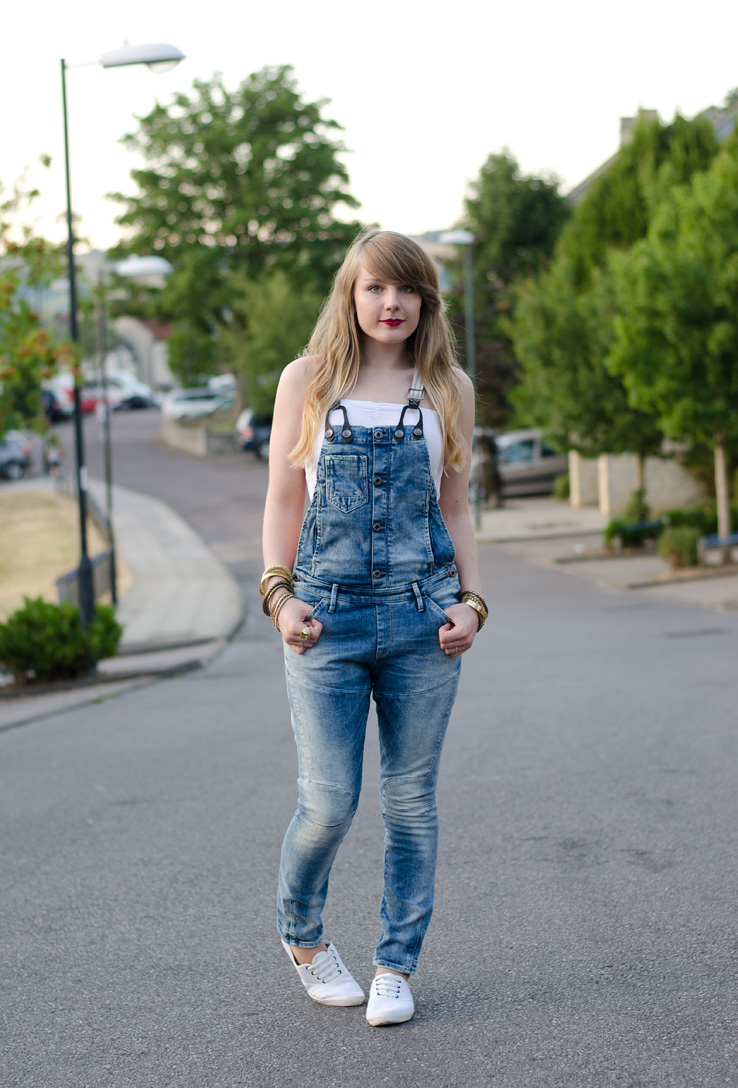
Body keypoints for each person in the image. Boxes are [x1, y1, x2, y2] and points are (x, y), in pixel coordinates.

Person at [261, 230, 488, 1027]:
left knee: (411, 803)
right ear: (350, 296)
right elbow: (285, 500)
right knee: (327, 804)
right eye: (375, 289)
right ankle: (303, 936)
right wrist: (279, 597)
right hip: (324, 618)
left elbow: (456, 507)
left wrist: (473, 601)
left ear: (426, 300)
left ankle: (397, 963)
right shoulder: (308, 380)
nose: (391, 304)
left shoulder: (447, 386)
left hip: (424, 618)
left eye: (407, 290)